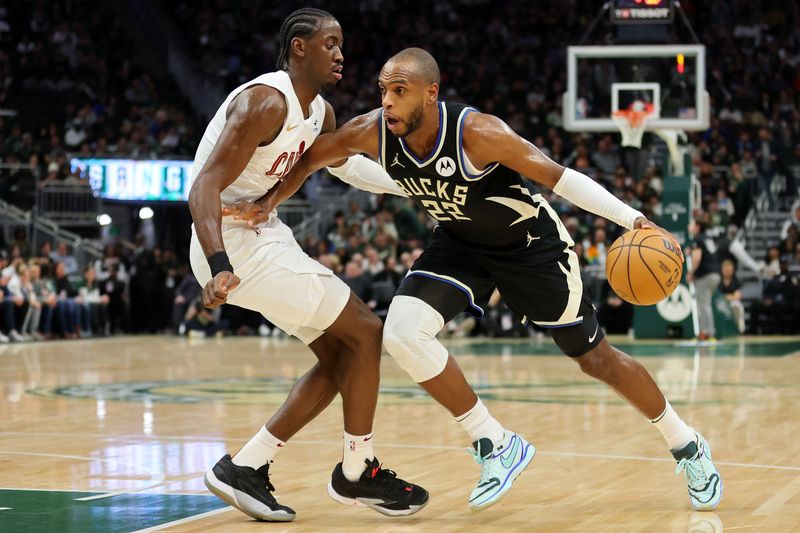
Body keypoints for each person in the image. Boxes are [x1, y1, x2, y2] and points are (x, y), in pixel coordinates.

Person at [232, 48, 723, 512]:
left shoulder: (479, 133)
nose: (386, 101)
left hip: (529, 249)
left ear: (431, 92)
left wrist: (632, 220)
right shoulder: (375, 131)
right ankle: (496, 442)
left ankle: (686, 444)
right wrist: (267, 202)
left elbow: (560, 177)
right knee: (401, 332)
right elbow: (314, 156)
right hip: (461, 246)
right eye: (382, 90)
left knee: (596, 359)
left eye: (399, 90)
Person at [187, 9, 427, 522]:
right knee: (366, 332)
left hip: (260, 232)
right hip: (228, 238)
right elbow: (204, 186)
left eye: (341, 46)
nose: (341, 55)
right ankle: (357, 472)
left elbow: (324, 164)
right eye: (330, 44)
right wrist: (218, 263)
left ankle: (245, 466)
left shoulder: (320, 111)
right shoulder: (263, 100)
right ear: (300, 47)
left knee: (345, 357)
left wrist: (413, 185)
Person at [687, 220, 721, 341]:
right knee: (706, 304)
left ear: (697, 226)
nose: (688, 226)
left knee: (703, 305)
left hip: (705, 276)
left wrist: (691, 273)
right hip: (715, 274)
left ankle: (707, 333)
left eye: (691, 224)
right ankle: (708, 331)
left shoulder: (697, 239)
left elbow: (697, 258)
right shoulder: (708, 238)